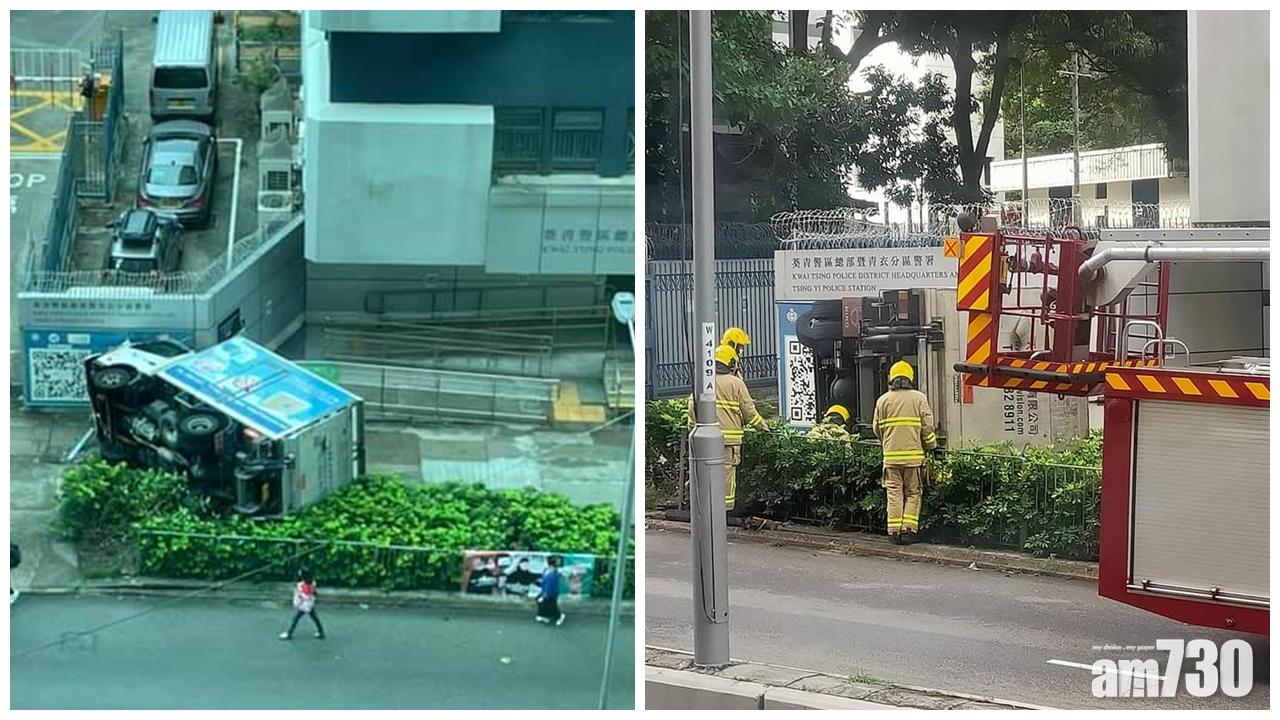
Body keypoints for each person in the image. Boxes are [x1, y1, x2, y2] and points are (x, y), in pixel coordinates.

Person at [687, 344, 771, 523]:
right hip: (729, 442)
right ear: (731, 363)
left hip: (703, 440)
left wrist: (693, 430)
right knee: (725, 476)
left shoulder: (702, 382)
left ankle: (704, 509)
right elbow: (749, 411)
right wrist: (763, 427)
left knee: (703, 473)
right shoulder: (736, 384)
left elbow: (691, 408)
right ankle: (722, 513)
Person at [873, 361, 938, 545]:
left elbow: (877, 428)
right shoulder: (919, 398)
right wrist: (931, 446)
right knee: (913, 493)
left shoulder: (883, 400)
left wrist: (886, 443)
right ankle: (909, 530)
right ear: (911, 378)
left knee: (893, 493)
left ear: (891, 378)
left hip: (890, 458)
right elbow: (927, 427)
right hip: (913, 458)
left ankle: (894, 532)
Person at [279, 568, 326, 640]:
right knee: (314, 618)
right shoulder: (312, 582)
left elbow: (305, 595)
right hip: (310, 603)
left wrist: (299, 595)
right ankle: (321, 632)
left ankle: (289, 634)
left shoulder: (304, 585)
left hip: (305, 605)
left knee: (295, 618)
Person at [535, 556, 565, 627]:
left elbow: (549, 586)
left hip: (551, 593)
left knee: (552, 606)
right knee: (542, 603)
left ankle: (559, 617)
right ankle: (544, 616)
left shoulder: (552, 574)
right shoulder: (546, 570)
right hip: (545, 591)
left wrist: (544, 596)